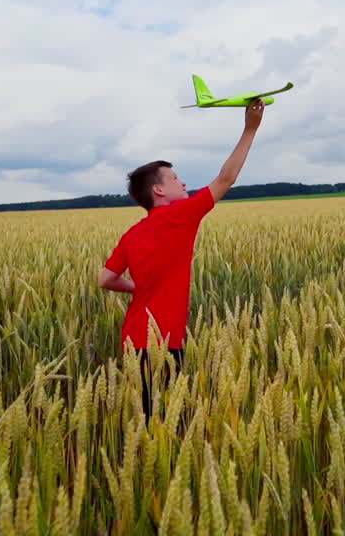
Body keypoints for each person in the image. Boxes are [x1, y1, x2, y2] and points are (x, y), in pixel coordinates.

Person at [97, 99, 266, 421]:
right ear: (159, 191)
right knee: (171, 423)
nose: (184, 183)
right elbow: (226, 179)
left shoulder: (132, 234)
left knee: (146, 420)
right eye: (176, 179)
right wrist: (249, 129)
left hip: (133, 340)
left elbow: (105, 279)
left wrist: (142, 290)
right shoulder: (180, 216)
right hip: (164, 338)